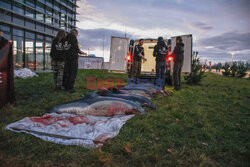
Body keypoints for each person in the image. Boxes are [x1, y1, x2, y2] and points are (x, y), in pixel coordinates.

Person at [63, 29, 83, 93]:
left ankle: (65, 86)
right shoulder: (73, 38)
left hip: (66, 58)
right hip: (73, 58)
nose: (77, 36)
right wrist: (80, 52)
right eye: (77, 34)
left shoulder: (65, 38)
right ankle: (70, 88)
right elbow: (76, 48)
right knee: (73, 73)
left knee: (66, 72)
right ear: (75, 33)